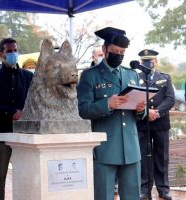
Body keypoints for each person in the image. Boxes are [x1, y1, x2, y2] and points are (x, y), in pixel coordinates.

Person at [77, 27, 146, 200]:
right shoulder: (90, 76)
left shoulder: (132, 76)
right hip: (105, 149)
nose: (119, 55)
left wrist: (141, 110)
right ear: (105, 50)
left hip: (131, 148)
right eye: (115, 52)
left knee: (132, 196)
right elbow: (83, 110)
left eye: (122, 52)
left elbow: (140, 114)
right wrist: (107, 104)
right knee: (103, 196)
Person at [0, 38, 33, 200]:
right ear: (1, 54)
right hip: (1, 134)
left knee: (26, 175)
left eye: (15, 50)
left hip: (24, 135)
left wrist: (25, 111)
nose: (13, 54)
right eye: (9, 51)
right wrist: (12, 112)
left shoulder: (27, 76)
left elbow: (34, 100)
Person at [137, 49, 175, 200]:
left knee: (162, 156)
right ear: (140, 63)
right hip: (142, 123)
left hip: (160, 123)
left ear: (156, 61)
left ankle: (163, 189)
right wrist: (147, 112)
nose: (148, 63)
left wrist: (157, 112)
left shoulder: (165, 78)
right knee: (143, 157)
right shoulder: (136, 77)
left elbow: (170, 99)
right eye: (144, 61)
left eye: (150, 60)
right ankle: (144, 190)